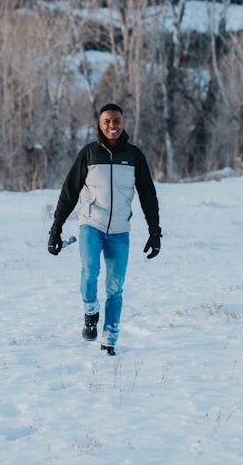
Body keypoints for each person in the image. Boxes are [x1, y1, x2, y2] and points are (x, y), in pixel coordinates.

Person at [48, 103, 161, 355]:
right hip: (91, 224)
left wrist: (155, 232)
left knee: (115, 287)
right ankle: (90, 311)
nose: (113, 125)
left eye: (117, 121)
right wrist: (56, 229)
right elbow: (69, 193)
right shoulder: (88, 154)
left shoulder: (134, 156)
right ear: (99, 125)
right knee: (90, 271)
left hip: (120, 231)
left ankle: (109, 338)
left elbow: (148, 196)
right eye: (108, 121)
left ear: (123, 123)